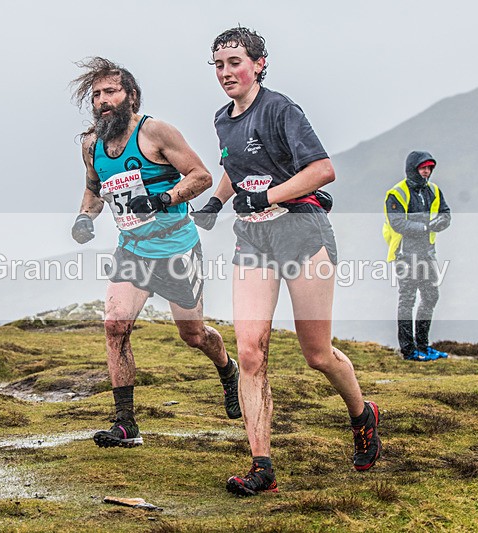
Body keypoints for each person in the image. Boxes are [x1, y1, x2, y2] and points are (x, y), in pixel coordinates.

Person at [193, 27, 381, 496]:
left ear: (258, 64)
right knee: (251, 351)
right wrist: (218, 202)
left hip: (303, 233)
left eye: (234, 62)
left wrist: (269, 197)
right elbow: (234, 169)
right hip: (253, 241)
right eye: (218, 65)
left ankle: (362, 414)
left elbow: (322, 170)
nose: (225, 73)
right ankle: (262, 467)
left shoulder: (280, 109)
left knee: (316, 353)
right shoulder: (223, 119)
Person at [69, 57, 241, 448]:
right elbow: (94, 190)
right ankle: (126, 424)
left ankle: (228, 370)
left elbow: (201, 176)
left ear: (131, 95)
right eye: (96, 95)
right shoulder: (92, 145)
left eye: (110, 91)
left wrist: (163, 198)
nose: (102, 101)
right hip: (133, 250)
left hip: (178, 248)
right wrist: (84, 217)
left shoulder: (156, 132)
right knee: (115, 325)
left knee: (193, 335)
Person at [383, 151, 451, 361]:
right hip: (405, 254)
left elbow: (445, 213)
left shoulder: (433, 190)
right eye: (423, 168)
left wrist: (441, 222)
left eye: (430, 168)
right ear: (413, 168)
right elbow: (398, 223)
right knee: (407, 300)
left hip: (427, 253)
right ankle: (409, 351)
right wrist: (425, 227)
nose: (427, 172)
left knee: (431, 296)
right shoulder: (396, 193)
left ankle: (423, 345)